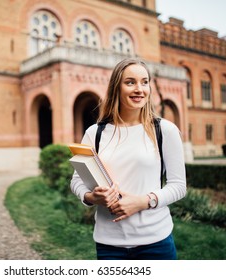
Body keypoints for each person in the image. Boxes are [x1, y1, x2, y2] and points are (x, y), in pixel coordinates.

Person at [70, 58, 187, 260]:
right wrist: (91, 197)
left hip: (156, 242)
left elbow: (178, 186)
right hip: (109, 245)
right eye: (130, 82)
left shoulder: (164, 130)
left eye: (145, 82)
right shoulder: (95, 133)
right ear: (117, 87)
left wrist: (143, 202)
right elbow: (77, 180)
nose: (139, 89)